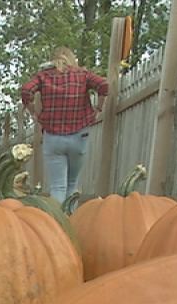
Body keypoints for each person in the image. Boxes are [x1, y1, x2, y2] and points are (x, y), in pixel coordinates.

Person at [20, 47, 111, 202]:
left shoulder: (43, 77)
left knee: (57, 186)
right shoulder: (82, 75)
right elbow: (103, 85)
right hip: (79, 136)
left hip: (53, 138)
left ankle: (57, 223)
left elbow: (26, 91)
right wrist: (99, 108)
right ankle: (72, 220)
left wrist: (33, 112)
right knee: (72, 184)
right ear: (71, 59)